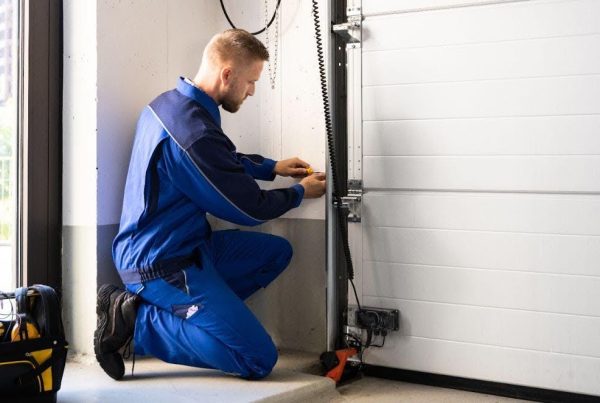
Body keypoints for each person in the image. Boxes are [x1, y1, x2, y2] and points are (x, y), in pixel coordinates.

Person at [94, 29, 326, 381]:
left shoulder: (170, 105)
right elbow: (249, 209)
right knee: (257, 358)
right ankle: (137, 322)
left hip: (189, 247)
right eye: (250, 81)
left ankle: (199, 319)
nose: (251, 91)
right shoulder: (192, 133)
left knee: (275, 253)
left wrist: (270, 167)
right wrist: (297, 193)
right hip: (160, 265)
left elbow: (220, 159)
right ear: (227, 74)